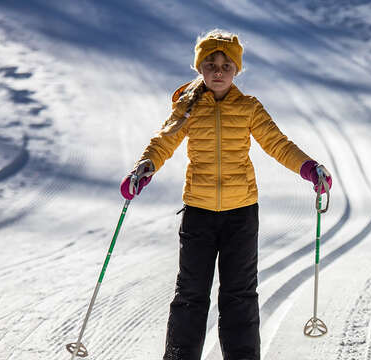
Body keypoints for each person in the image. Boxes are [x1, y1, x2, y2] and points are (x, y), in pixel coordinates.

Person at [119, 29, 333, 360]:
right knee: (190, 294)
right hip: (199, 213)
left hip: (241, 214)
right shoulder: (187, 107)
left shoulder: (248, 107)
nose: (218, 72)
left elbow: (277, 143)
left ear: (237, 70)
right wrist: (144, 168)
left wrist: (309, 168)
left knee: (239, 295)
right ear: (199, 68)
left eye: (226, 66)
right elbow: (163, 141)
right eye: (211, 64)